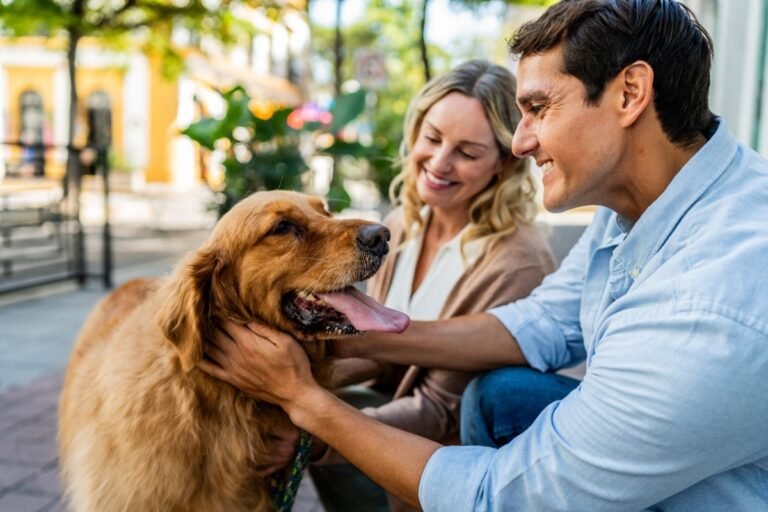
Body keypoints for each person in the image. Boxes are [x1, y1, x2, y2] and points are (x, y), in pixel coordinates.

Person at [200, 1, 768, 510]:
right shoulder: (641, 205)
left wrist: (304, 403)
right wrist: (353, 329)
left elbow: (505, 495)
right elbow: (544, 321)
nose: (522, 142)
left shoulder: (710, 303)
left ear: (629, 94)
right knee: (503, 396)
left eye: (539, 108)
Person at [309, 59, 555, 512]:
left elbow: (442, 409)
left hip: (443, 469)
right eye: (433, 138)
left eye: (466, 152)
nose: (439, 163)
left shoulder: (516, 262)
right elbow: (378, 356)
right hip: (395, 425)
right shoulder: (400, 226)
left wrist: (312, 432)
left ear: (502, 163)